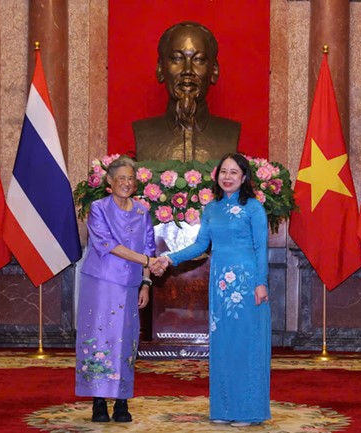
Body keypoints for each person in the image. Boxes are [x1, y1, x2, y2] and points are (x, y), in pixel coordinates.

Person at [160, 153, 271, 426]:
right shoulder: (212, 209)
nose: (228, 177)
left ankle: (246, 410)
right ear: (217, 176)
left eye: (234, 172)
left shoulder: (254, 208)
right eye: (224, 171)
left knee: (245, 344)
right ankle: (223, 409)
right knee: (223, 345)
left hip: (246, 285)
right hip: (220, 286)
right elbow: (200, 246)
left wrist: (261, 283)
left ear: (244, 177)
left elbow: (261, 247)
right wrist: (169, 257)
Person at [75, 156, 165, 422]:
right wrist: (147, 261)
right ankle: (98, 401)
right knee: (99, 339)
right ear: (109, 181)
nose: (126, 183)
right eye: (121, 178)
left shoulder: (141, 211)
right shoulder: (99, 208)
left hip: (129, 286)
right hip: (101, 285)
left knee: (126, 340)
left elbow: (149, 247)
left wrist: (146, 282)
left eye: (130, 179)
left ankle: (122, 401)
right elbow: (108, 244)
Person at [133, 21, 240, 162]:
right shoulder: (143, 132)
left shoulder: (229, 132)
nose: (188, 70)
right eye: (177, 59)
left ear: (214, 71)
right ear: (160, 70)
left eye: (198, 60)